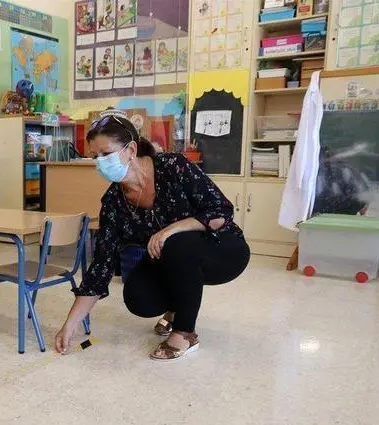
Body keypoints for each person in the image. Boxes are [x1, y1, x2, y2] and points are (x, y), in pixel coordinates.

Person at [55, 115, 250, 360]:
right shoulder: (114, 202)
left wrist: (171, 229)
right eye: (95, 157)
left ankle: (185, 333)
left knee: (177, 242)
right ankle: (174, 309)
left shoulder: (173, 166)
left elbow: (221, 211)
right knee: (139, 298)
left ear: (131, 150)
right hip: (171, 258)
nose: (100, 163)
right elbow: (102, 265)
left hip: (222, 249)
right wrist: (70, 325)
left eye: (105, 154)